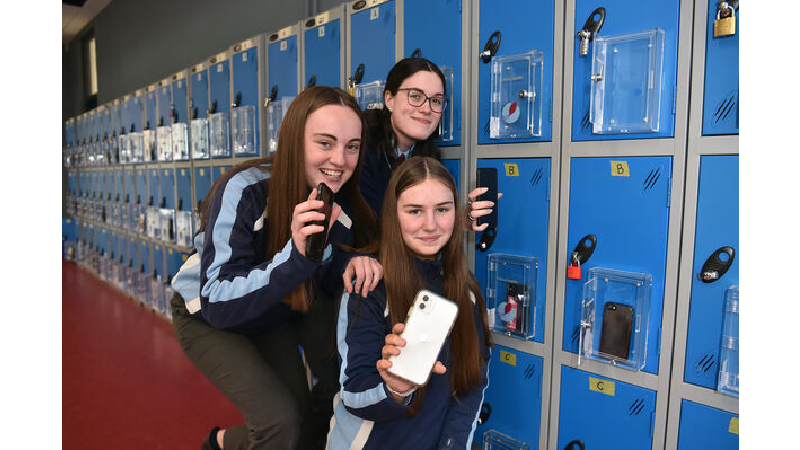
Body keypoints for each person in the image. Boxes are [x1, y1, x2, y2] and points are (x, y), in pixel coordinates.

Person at [170, 86, 377, 450]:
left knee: (308, 418)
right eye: (325, 143)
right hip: (206, 315)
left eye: (352, 147)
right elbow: (216, 299)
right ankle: (218, 443)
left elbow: (325, 275)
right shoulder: (244, 190)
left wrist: (349, 260)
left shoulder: (338, 202)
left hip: (273, 309)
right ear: (295, 141)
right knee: (279, 425)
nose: (340, 160)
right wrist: (296, 255)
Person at [327, 156, 492, 450]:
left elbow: (471, 387)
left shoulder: (466, 292)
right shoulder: (370, 286)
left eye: (442, 210)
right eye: (415, 211)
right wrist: (394, 389)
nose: (430, 225)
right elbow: (352, 394)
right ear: (394, 215)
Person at [343, 57, 500, 300]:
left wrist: (462, 219)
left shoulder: (428, 158)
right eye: (415, 96)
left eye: (436, 100)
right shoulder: (357, 148)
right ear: (389, 99)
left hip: (397, 276)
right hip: (353, 278)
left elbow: (415, 226)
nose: (427, 108)